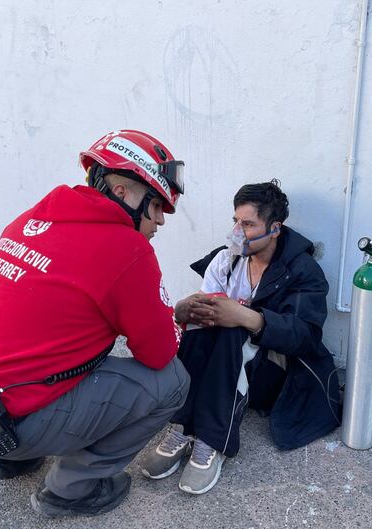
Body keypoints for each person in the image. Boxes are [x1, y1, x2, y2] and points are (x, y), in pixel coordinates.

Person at [0, 129, 190, 517]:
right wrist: (175, 316)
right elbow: (158, 352)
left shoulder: (33, 219)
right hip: (11, 425)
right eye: (157, 207)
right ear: (123, 194)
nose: (160, 222)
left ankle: (16, 460)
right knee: (172, 382)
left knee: (45, 341)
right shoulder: (126, 249)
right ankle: (72, 489)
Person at [140, 179, 340, 494]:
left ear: (274, 229)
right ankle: (181, 428)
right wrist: (182, 310)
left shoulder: (302, 271)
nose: (237, 231)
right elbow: (203, 315)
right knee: (202, 321)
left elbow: (306, 336)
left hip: (275, 375)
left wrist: (246, 317)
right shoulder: (226, 259)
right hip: (229, 366)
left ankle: (213, 442)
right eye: (235, 220)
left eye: (247, 224)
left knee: (232, 330)